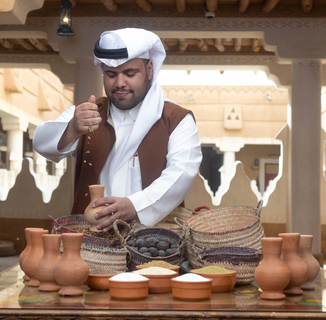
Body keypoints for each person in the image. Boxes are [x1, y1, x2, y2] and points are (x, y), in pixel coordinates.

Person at [33, 28, 202, 232]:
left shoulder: (176, 119)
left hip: (155, 243)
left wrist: (135, 205)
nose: (120, 83)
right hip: (93, 241)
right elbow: (41, 142)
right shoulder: (87, 113)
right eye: (111, 74)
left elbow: (181, 174)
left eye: (130, 74)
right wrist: (72, 129)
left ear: (149, 69)